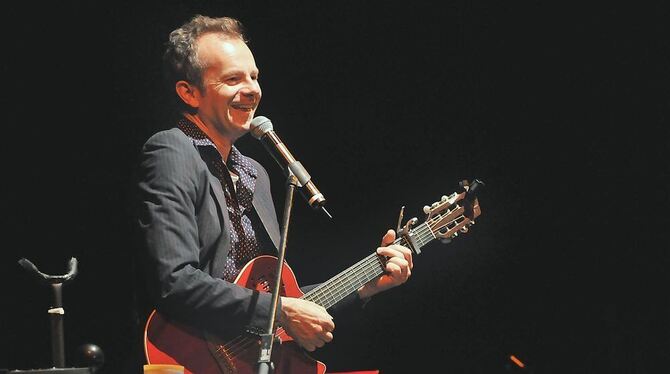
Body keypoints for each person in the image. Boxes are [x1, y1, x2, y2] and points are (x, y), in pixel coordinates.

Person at [136, 14, 413, 371]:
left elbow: (276, 301)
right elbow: (174, 281)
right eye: (232, 79)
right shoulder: (172, 150)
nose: (251, 89)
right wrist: (281, 310)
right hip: (189, 359)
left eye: (254, 76)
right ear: (189, 92)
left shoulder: (256, 173)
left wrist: (366, 285)